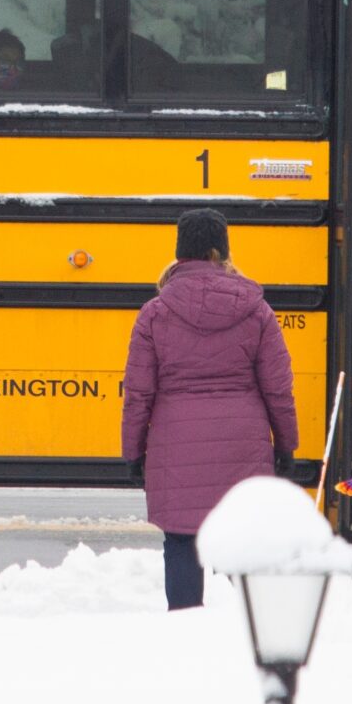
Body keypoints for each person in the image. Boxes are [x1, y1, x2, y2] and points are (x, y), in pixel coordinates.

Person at [121, 209, 299, 610]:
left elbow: (138, 393)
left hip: (175, 445)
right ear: (220, 252)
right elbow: (279, 388)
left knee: (182, 542)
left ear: (180, 254)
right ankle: (256, 635)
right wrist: (286, 445)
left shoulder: (154, 313)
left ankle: (184, 634)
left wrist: (133, 453)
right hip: (243, 445)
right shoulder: (256, 310)